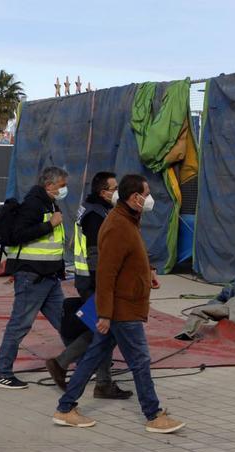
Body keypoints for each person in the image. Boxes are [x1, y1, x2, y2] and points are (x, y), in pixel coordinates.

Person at [53, 174, 185, 433]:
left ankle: (66, 408)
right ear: (134, 197)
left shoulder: (129, 220)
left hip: (123, 305)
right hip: (122, 308)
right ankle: (153, 414)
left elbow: (132, 257)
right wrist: (104, 313)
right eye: (146, 194)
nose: (149, 200)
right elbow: (106, 272)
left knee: (92, 357)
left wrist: (148, 272)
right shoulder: (116, 225)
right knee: (140, 360)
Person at [44, 172, 133, 399]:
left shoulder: (96, 209)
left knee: (102, 329)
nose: (118, 192)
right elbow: (97, 254)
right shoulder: (95, 215)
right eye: (114, 188)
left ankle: (102, 382)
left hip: (90, 279)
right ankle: (62, 363)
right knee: (102, 328)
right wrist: (105, 284)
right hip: (94, 280)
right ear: (103, 192)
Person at [0, 167, 69, 389]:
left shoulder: (50, 203)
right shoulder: (34, 204)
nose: (65, 189)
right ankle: (2, 373)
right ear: (49, 185)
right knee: (19, 325)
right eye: (62, 185)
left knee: (66, 322)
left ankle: (83, 363)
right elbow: (17, 235)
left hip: (49, 276)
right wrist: (49, 225)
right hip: (32, 276)